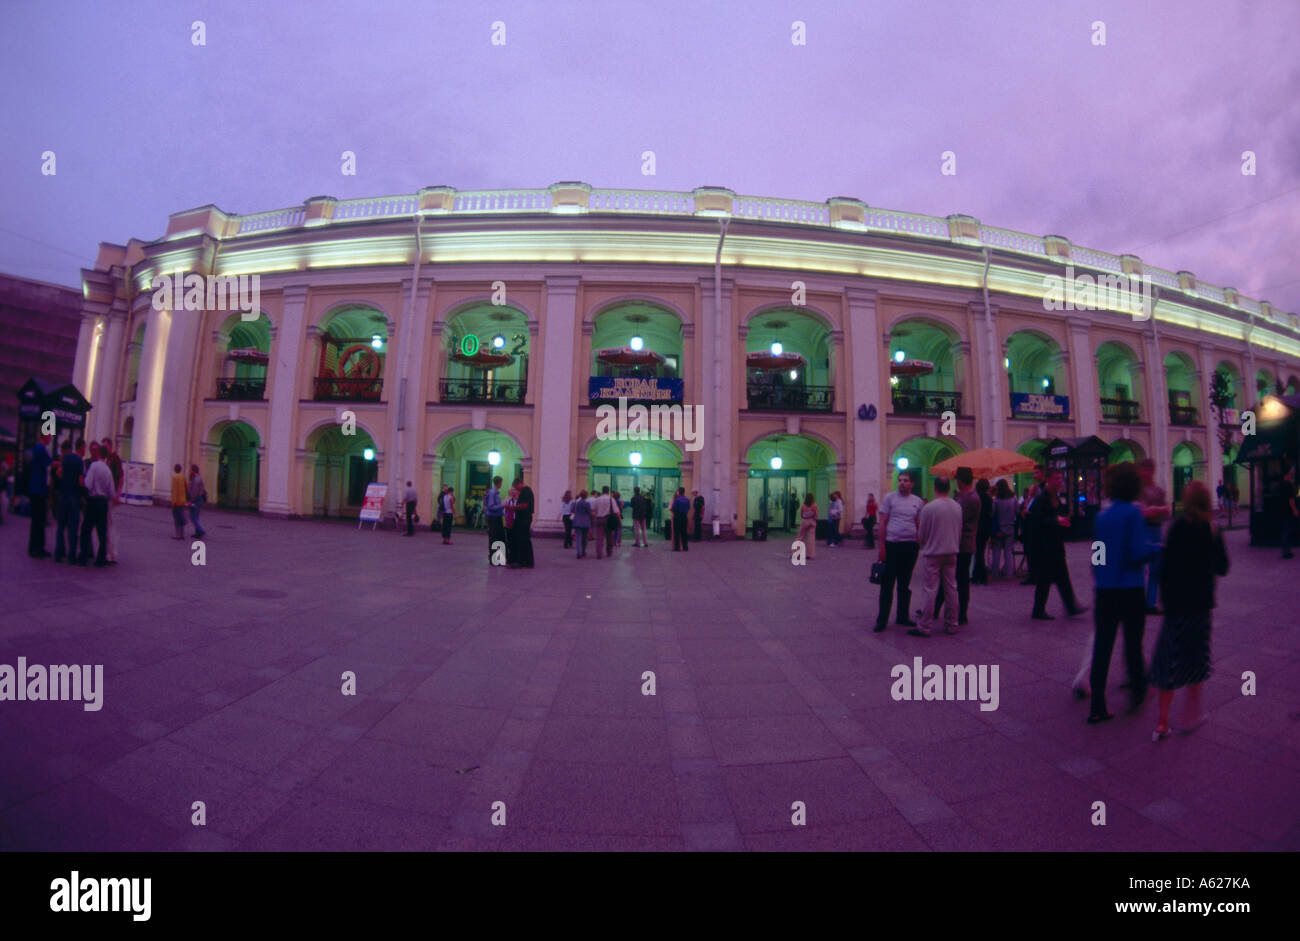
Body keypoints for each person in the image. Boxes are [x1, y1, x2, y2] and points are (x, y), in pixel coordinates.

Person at [1151, 481, 1229, 740]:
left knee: (1169, 661)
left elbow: (1164, 567)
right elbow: (1223, 568)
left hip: (1176, 606)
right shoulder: (1212, 529)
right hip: (1200, 606)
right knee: (1196, 657)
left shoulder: (1176, 528)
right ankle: (1191, 713)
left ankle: (1163, 722)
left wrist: (1162, 598)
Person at [1086, 462, 1151, 724]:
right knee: (1133, 644)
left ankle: (1098, 704)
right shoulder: (1134, 513)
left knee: (1102, 647)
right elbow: (1137, 553)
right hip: (1131, 589)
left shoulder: (1102, 517)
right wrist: (1156, 548)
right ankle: (1138, 691)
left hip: (1105, 590)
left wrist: (1104, 576)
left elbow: (1097, 558)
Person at [1028, 469, 1087, 620]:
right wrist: (1056, 521)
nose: (1059, 482)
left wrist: (1063, 521)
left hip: (1055, 545)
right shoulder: (1042, 499)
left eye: (1061, 478)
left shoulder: (1056, 498)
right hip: (1045, 547)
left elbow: (1056, 516)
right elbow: (1037, 521)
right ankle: (1039, 610)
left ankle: (1070, 606)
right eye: (1056, 478)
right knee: (1045, 580)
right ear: (1049, 480)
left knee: (1061, 578)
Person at [909, 476, 964, 637]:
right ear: (948, 487)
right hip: (952, 551)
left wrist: (924, 545)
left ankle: (925, 626)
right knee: (951, 589)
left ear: (935, 487)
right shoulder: (957, 507)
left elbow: (922, 533)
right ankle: (952, 623)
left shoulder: (929, 508)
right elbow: (959, 530)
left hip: (932, 553)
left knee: (929, 590)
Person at [874, 470, 925, 632]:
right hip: (892, 545)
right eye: (900, 480)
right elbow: (883, 523)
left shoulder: (917, 501)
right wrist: (882, 547)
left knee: (905, 583)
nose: (902, 483)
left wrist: (920, 544)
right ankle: (882, 620)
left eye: (906, 480)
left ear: (912, 484)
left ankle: (902, 616)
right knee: (887, 584)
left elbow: (919, 524)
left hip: (910, 546)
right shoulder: (890, 498)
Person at [935, 466, 980, 626]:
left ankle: (962, 614)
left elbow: (959, 519)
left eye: (957, 480)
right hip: (956, 542)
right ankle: (935, 608)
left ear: (961, 481)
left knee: (961, 580)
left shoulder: (972, 498)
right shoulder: (962, 496)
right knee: (946, 577)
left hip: (964, 545)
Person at [1138, 459, 1170, 613]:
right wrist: (1159, 509)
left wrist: (1155, 510)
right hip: (1144, 528)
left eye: (1147, 469)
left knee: (1156, 567)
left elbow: (1166, 509)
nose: (1145, 473)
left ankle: (1151, 602)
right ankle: (1142, 600)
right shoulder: (1139, 491)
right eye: (1143, 470)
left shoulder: (1158, 490)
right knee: (1142, 564)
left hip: (1156, 528)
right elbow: (1143, 511)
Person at [80, 444, 115, 567]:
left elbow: (87, 484)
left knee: (86, 530)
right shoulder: (108, 470)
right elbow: (112, 492)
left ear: (99, 454)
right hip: (103, 503)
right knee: (102, 532)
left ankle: (83, 557)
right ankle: (101, 559)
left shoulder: (94, 466)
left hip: (93, 501)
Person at [53, 439, 84, 563]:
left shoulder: (65, 459)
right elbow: (81, 481)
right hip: (75, 495)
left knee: (61, 525)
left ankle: (58, 553)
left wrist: (64, 480)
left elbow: (58, 472)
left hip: (64, 494)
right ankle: (71, 555)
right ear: (79, 447)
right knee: (73, 526)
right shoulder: (79, 461)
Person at [26, 433, 52, 557]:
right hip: (38, 490)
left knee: (40, 520)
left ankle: (39, 547)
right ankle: (34, 548)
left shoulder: (40, 448)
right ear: (45, 436)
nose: (51, 438)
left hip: (39, 489)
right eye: (49, 436)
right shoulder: (40, 449)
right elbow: (49, 463)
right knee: (37, 520)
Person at [989, 479, 1019, 579]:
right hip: (1010, 528)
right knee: (1008, 553)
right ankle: (1008, 573)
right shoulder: (1014, 498)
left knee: (996, 552)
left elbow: (992, 514)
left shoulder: (996, 500)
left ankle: (995, 574)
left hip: (999, 529)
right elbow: (1017, 512)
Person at [100, 438, 122, 562]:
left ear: (110, 446)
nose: (104, 448)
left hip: (110, 497)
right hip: (104, 497)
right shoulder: (105, 460)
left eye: (106, 446)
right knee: (106, 525)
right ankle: (108, 552)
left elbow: (121, 477)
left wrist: (117, 494)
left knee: (110, 525)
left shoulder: (114, 459)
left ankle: (112, 553)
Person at [510, 477, 535, 568]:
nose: (516, 489)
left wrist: (513, 508)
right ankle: (527, 561)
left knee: (522, 539)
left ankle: (521, 561)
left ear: (519, 484)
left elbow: (524, 505)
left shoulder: (525, 491)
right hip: (525, 518)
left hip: (524, 519)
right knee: (525, 539)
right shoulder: (526, 491)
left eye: (516, 487)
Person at [972, 478, 993, 584]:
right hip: (985, 528)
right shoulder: (989, 499)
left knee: (978, 552)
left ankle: (980, 575)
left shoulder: (976, 498)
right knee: (980, 551)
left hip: (977, 527)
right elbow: (990, 515)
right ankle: (978, 575)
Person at [590, 486, 614, 559]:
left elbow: (592, 510)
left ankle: (599, 553)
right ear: (608, 491)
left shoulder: (597, 499)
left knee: (599, 538)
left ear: (602, 491)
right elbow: (616, 511)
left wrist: (596, 516)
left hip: (599, 519)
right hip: (608, 519)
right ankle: (609, 552)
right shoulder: (611, 499)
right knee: (609, 537)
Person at [484, 477, 505, 557]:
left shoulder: (494, 492)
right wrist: (502, 505)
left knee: (498, 537)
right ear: (499, 483)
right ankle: (494, 558)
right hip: (494, 518)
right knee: (495, 537)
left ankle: (498, 557)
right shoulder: (492, 493)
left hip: (496, 517)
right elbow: (491, 507)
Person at [1280, 467, 1298, 559]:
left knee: (1285, 531)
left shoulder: (1281, 485)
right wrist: (1294, 509)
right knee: (1287, 532)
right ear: (1286, 475)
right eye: (1290, 473)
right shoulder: (1289, 485)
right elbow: (1291, 499)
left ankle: (1285, 551)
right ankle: (1286, 552)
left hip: (1282, 510)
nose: (1291, 474)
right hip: (1288, 511)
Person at [188, 464, 208, 539]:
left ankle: (201, 530)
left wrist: (191, 501)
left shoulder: (196, 479)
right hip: (199, 499)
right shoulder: (199, 477)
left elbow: (194, 492)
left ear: (193, 470)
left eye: (191, 470)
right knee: (196, 516)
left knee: (193, 517)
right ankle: (197, 533)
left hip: (196, 499)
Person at [571, 489, 592, 558]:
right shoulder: (587, 503)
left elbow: (572, 510)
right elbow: (589, 512)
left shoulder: (576, 503)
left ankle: (579, 552)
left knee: (578, 538)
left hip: (577, 522)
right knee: (584, 538)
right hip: (586, 522)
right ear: (586, 496)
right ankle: (583, 551)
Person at [796, 492, 818, 559]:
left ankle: (797, 554)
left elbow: (801, 514)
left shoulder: (803, 505)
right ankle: (810, 555)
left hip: (805, 521)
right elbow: (816, 515)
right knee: (811, 539)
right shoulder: (814, 505)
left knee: (800, 537)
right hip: (812, 521)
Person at [170, 463, 188, 539]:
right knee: (181, 518)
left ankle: (178, 535)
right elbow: (186, 488)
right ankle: (182, 534)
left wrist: (173, 502)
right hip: (182, 500)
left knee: (176, 519)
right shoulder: (183, 477)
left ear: (175, 469)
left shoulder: (175, 477)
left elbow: (175, 491)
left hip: (176, 501)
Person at [671, 487, 691, 551]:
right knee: (684, 532)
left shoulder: (677, 500)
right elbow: (688, 508)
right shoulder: (687, 500)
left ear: (679, 492)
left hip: (677, 517)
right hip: (684, 517)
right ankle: (685, 547)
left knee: (677, 532)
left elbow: (673, 508)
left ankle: (677, 547)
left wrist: (675, 512)